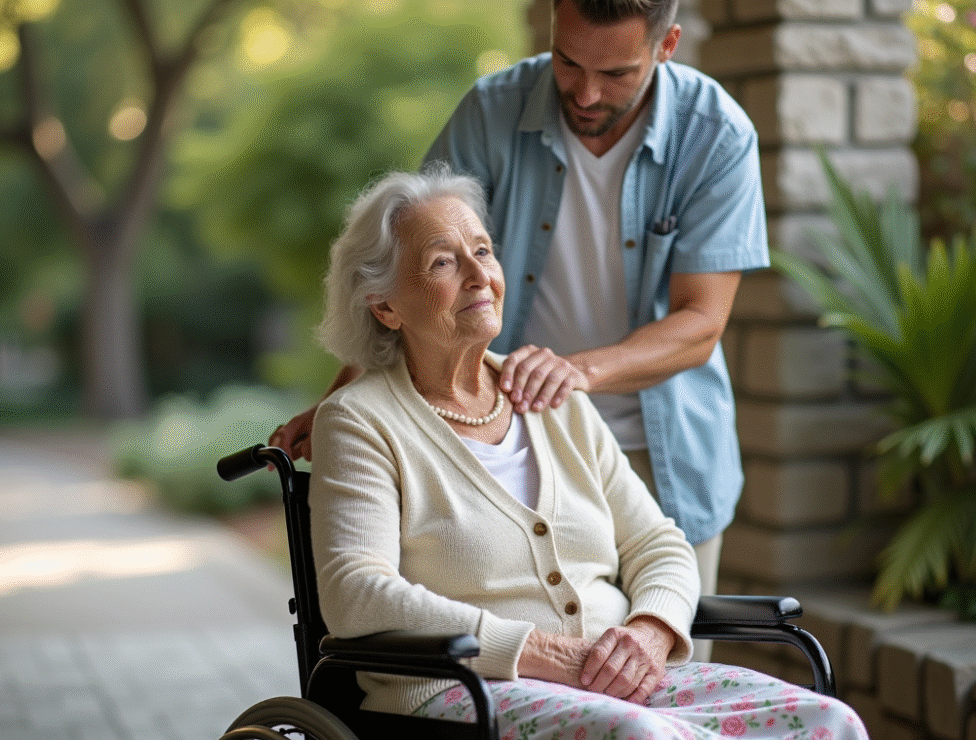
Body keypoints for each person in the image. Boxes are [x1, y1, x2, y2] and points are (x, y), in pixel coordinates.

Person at [309, 166, 877, 740]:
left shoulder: (552, 399)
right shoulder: (359, 421)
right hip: (461, 695)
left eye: (483, 251)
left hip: (621, 686)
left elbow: (658, 543)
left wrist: (651, 631)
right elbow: (354, 591)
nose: (480, 276)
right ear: (385, 305)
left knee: (827, 724)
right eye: (443, 263)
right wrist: (534, 651)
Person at [274, 0, 770, 631]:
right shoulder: (493, 109)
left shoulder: (715, 134)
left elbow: (701, 322)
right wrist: (345, 401)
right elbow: (406, 264)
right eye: (567, 62)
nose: (586, 93)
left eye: (616, 73)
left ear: (667, 44)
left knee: (661, 654)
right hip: (507, 439)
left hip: (657, 450)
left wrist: (575, 374)